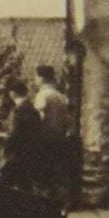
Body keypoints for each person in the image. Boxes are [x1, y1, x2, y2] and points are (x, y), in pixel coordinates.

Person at [34, 64, 81, 209]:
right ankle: (55, 203)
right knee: (54, 175)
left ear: (41, 78)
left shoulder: (43, 95)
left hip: (44, 140)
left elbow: (40, 117)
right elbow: (67, 121)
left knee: (43, 175)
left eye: (36, 77)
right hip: (59, 140)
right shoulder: (61, 97)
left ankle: (43, 205)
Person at [0, 78, 44, 194]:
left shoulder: (17, 111)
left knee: (2, 187)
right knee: (25, 189)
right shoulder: (33, 110)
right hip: (30, 156)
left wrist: (4, 150)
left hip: (15, 156)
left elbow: (13, 134)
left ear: (12, 93)